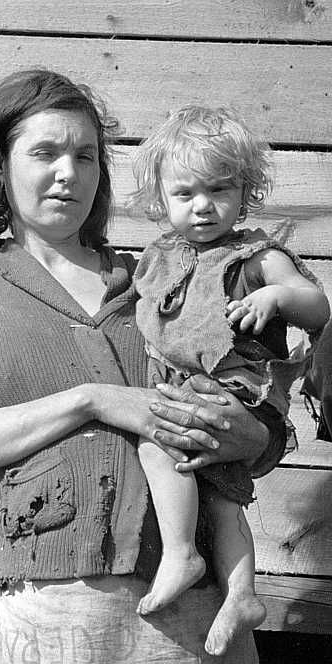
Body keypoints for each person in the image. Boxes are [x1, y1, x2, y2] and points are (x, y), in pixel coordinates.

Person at [0, 70, 285, 664]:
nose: (68, 173)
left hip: (201, 618)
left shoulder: (164, 283)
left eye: (85, 156)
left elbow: (260, 416)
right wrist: (92, 399)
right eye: (44, 153)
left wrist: (252, 433)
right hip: (54, 619)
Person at [131, 106, 330, 655]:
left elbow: (317, 307)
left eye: (220, 189)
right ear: (161, 200)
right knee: (223, 501)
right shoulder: (162, 259)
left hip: (246, 392)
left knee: (156, 441)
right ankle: (241, 592)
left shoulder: (258, 258)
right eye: (185, 193)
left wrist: (276, 296)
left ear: (247, 191)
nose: (202, 205)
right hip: (200, 392)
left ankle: (181, 555)